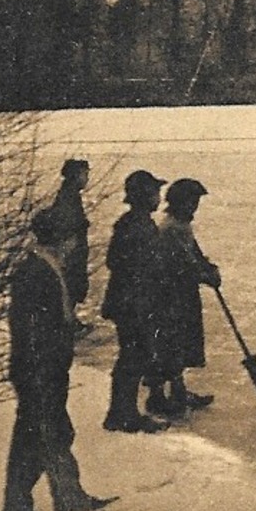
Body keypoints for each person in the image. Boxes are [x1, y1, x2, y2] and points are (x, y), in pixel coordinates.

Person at [1, 206, 117, 511]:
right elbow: (32, 329)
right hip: (39, 371)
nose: (79, 243)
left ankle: (65, 498)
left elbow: (42, 321)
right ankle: (19, 510)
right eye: (75, 237)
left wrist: (68, 329)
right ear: (64, 239)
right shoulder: (38, 272)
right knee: (37, 438)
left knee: (50, 433)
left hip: (42, 369)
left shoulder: (44, 266)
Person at [100, 170, 169, 434]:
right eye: (155, 193)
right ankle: (123, 415)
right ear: (144, 196)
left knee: (132, 357)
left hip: (129, 301)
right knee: (133, 358)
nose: (159, 198)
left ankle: (121, 412)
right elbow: (134, 265)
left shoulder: (131, 222)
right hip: (134, 304)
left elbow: (114, 261)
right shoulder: (138, 225)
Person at [145, 178, 220, 417]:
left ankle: (178, 391)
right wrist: (204, 275)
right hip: (171, 297)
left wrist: (208, 267)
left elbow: (194, 254)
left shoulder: (181, 225)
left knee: (179, 344)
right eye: (192, 201)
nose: (195, 206)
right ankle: (159, 396)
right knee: (170, 344)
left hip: (182, 294)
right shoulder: (171, 229)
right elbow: (182, 264)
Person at [44, 159, 92, 332]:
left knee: (73, 284)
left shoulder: (68, 194)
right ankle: (66, 322)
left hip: (72, 248)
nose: (87, 178)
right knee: (71, 284)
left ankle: (69, 320)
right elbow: (69, 225)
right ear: (76, 175)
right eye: (84, 174)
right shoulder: (69, 196)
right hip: (71, 250)